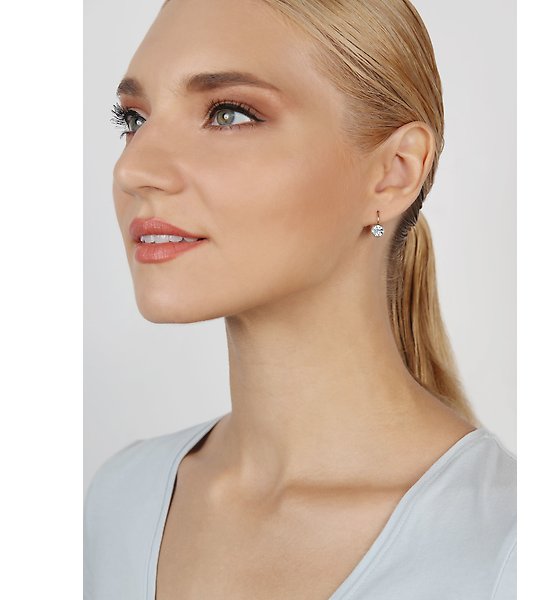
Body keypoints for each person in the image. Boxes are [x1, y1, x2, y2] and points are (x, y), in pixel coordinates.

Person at [84, 0, 516, 598]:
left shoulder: (508, 550)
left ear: (394, 172)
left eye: (228, 114)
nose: (134, 169)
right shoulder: (119, 500)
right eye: (133, 120)